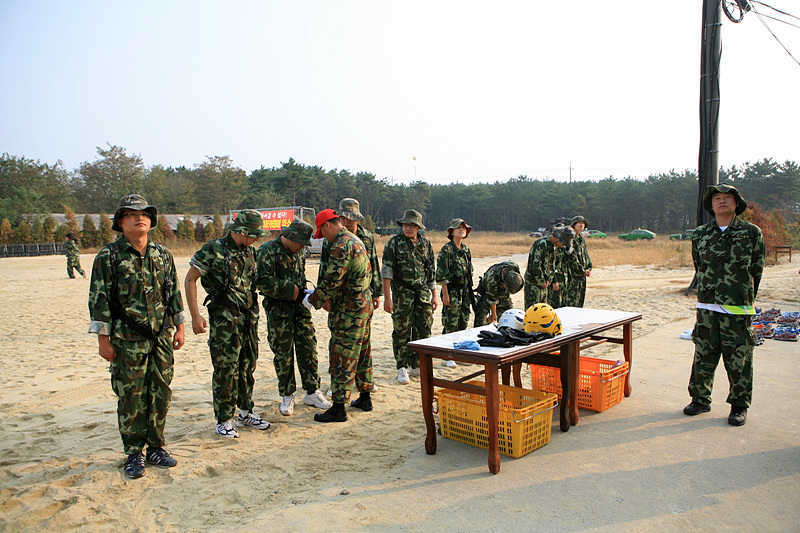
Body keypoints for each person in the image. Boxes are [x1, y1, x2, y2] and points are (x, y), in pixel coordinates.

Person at [88, 194, 186, 480]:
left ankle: (156, 447)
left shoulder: (163, 254)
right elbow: (99, 300)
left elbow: (173, 293)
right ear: (121, 222)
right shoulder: (109, 256)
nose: (139, 217)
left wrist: (179, 326)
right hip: (127, 339)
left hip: (161, 338)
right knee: (131, 396)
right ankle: (134, 452)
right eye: (131, 214)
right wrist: (102, 339)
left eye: (144, 214)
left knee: (161, 391)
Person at [184, 209, 271, 439]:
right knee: (226, 370)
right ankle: (224, 419)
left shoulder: (250, 252)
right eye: (253, 235)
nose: (255, 240)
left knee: (247, 366)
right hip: (225, 321)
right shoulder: (213, 250)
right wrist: (195, 315)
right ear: (241, 231)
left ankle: (245, 412)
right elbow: (191, 278)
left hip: (248, 319)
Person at [683, 183, 765, 426]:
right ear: (711, 205)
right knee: (703, 356)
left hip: (738, 310)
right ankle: (700, 399)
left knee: (739, 358)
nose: (721, 201)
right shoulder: (700, 234)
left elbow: (757, 270)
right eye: (716, 198)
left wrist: (743, 295)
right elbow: (700, 267)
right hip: (708, 308)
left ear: (736, 203)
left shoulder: (751, 233)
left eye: (727, 197)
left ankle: (739, 405)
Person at [257, 220, 330, 417]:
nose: (302, 247)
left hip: (300, 309)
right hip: (278, 311)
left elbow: (300, 276)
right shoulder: (266, 251)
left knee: (309, 349)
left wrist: (306, 293)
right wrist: (290, 290)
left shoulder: (298, 252)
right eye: (300, 243)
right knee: (283, 354)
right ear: (289, 237)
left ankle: (312, 391)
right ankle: (287, 394)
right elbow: (261, 281)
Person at [305, 209, 373, 422]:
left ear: (327, 225)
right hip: (363, 304)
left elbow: (332, 278)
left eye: (321, 233)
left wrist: (313, 300)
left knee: (342, 355)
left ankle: (338, 408)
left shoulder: (341, 245)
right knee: (362, 351)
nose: (322, 237)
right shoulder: (355, 239)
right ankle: (365, 396)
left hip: (349, 309)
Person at [318, 198, 382, 395]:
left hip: (352, 303)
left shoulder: (361, 238)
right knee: (352, 345)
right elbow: (324, 267)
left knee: (349, 348)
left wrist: (376, 292)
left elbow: (372, 265)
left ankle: (349, 393)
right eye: (343, 218)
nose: (346, 222)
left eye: (350, 219)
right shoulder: (336, 240)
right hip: (351, 301)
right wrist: (325, 295)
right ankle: (359, 392)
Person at [381, 209, 438, 385]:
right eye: (406, 225)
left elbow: (431, 271)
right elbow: (387, 272)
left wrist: (434, 295)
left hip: (422, 293)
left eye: (412, 225)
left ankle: (417, 364)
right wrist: (387, 298)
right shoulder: (394, 243)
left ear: (419, 227)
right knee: (401, 331)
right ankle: (402, 366)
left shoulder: (426, 244)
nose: (408, 228)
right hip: (402, 294)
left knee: (424, 328)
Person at [436, 218, 474, 367]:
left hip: (465, 291)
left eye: (464, 228)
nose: (461, 230)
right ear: (451, 231)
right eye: (458, 228)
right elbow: (441, 275)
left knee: (463, 321)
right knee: (450, 323)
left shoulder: (466, 250)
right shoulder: (446, 250)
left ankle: (459, 353)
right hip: (451, 291)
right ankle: (448, 354)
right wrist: (445, 294)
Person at [524, 226, 575, 310]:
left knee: (543, 311)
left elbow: (552, 266)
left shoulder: (553, 247)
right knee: (533, 311)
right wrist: (541, 281)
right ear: (558, 238)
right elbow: (536, 265)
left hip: (545, 285)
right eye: (563, 243)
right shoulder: (541, 244)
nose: (562, 246)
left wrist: (551, 280)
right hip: (534, 284)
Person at [473, 260, 524, 327]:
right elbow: (492, 300)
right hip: (486, 294)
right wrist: (493, 315)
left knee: (509, 317)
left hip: (502, 293)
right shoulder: (492, 281)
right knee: (481, 321)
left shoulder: (514, 267)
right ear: (505, 285)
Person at [561, 216, 593, 307]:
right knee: (571, 300)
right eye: (578, 223)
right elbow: (571, 257)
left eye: (583, 223)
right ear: (574, 225)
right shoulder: (570, 238)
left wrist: (589, 267)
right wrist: (582, 271)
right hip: (573, 274)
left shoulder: (581, 239)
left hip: (582, 275)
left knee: (580, 299)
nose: (581, 225)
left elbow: (585, 254)